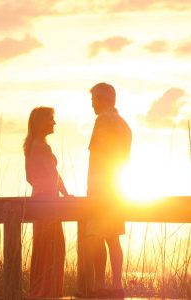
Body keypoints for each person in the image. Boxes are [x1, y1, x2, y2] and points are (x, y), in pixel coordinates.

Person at [85, 83, 132, 298]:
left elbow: (96, 157)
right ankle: (116, 285)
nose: (92, 103)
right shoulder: (124, 125)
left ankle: (99, 286)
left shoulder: (102, 121)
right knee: (113, 237)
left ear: (103, 99)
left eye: (94, 98)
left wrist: (91, 190)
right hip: (117, 187)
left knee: (96, 236)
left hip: (102, 188)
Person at [23, 106, 71, 298]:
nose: (54, 122)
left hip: (38, 200)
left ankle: (40, 292)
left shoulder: (31, 145)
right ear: (42, 122)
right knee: (53, 249)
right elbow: (54, 176)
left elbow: (29, 177)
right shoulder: (42, 147)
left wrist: (42, 188)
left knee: (42, 249)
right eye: (51, 119)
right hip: (49, 204)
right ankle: (48, 293)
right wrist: (66, 196)